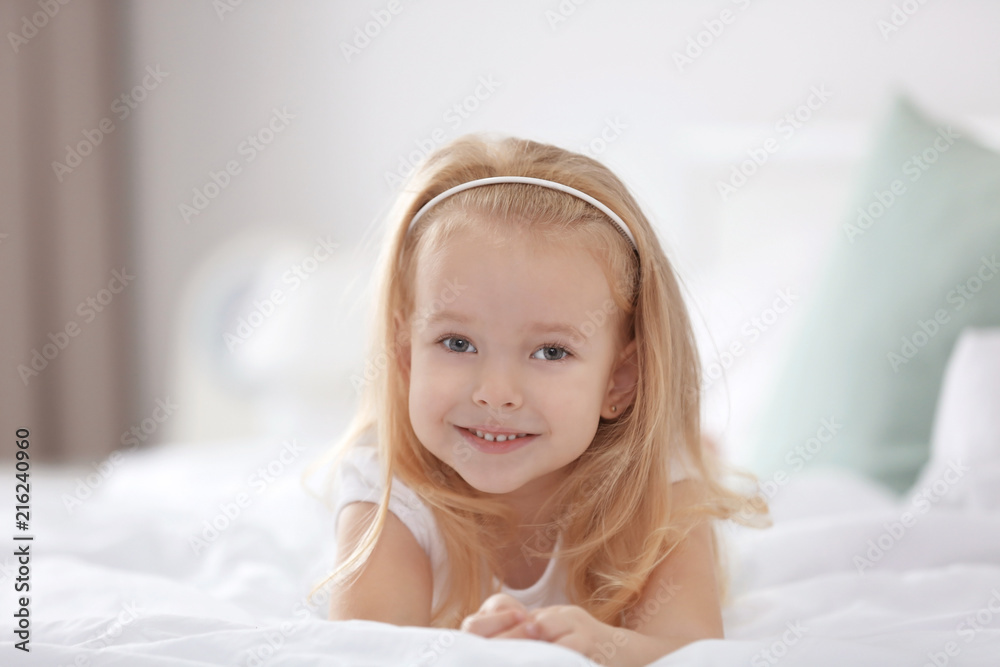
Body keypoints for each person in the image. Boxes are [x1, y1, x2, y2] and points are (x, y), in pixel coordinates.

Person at [314, 133, 769, 665]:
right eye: (457, 343)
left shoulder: (662, 490)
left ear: (619, 382)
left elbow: (690, 650)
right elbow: (365, 650)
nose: (495, 394)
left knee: (696, 459)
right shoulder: (388, 489)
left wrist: (600, 646)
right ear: (407, 356)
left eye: (551, 352)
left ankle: (708, 449)